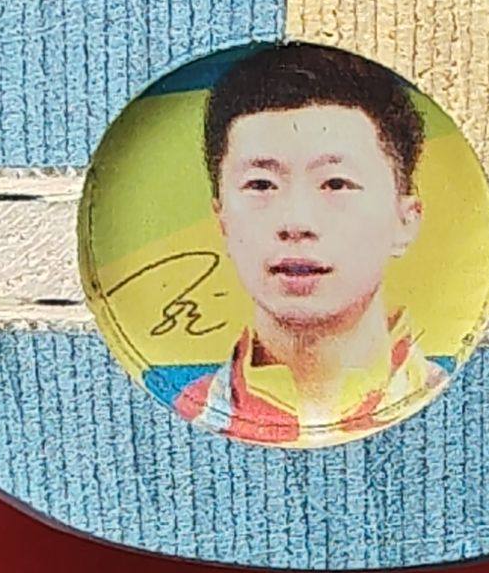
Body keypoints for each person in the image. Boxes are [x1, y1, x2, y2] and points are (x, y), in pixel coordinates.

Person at [168, 43, 449, 444]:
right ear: (222, 219)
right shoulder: (185, 412)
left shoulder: (449, 405)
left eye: (336, 183)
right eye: (261, 184)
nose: (296, 223)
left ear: (405, 220)